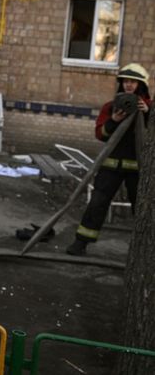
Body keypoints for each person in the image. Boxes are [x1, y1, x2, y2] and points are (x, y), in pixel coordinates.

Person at [66, 63, 151, 256]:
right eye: (125, 81)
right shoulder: (110, 106)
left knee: (141, 209)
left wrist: (147, 112)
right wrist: (113, 120)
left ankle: (143, 252)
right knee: (97, 203)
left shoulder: (150, 108)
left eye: (133, 82)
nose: (129, 85)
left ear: (141, 85)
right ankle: (81, 242)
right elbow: (100, 134)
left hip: (138, 169)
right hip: (110, 167)